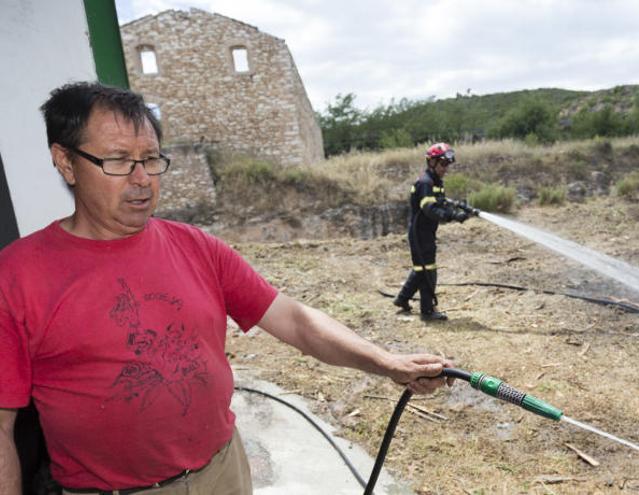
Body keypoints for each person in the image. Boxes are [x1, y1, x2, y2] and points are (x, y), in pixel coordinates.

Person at [0, 82, 453, 495]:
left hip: (223, 472)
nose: (143, 180)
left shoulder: (195, 246)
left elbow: (293, 319)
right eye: (118, 161)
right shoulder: (17, 276)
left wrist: (385, 362)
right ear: (65, 162)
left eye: (152, 159)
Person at [393, 143, 472, 321]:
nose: (446, 168)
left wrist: (459, 207)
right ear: (432, 162)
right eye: (443, 164)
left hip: (425, 233)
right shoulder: (425, 182)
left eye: (447, 165)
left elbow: (440, 201)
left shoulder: (435, 181)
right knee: (428, 270)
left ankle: (402, 299)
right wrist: (452, 216)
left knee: (421, 269)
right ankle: (427, 311)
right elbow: (430, 209)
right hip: (419, 234)